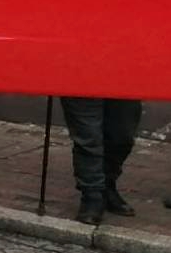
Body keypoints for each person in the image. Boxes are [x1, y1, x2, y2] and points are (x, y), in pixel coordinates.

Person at [59, 95, 142, 225]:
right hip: (80, 84)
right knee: (88, 139)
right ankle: (92, 195)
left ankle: (107, 185)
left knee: (122, 137)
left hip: (124, 84)